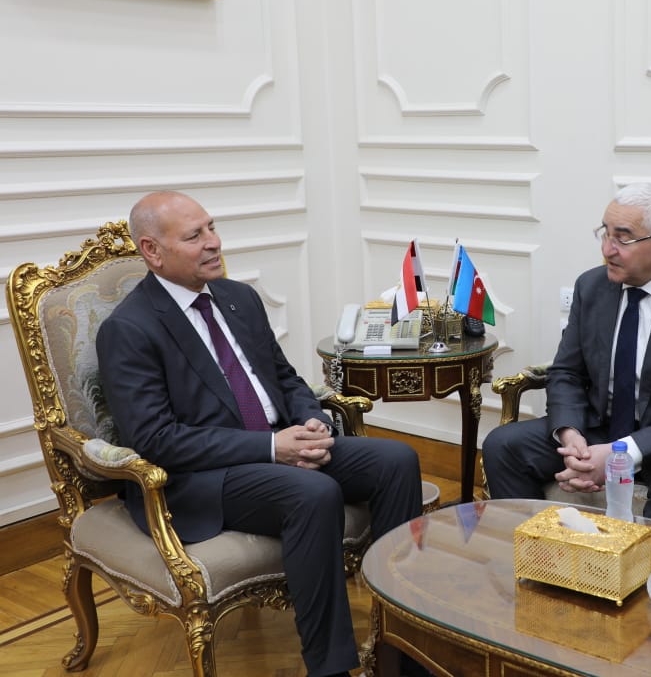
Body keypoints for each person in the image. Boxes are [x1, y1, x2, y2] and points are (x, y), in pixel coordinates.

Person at [96, 191, 423, 677]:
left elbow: (284, 378)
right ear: (153, 251)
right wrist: (272, 447)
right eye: (195, 236)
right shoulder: (129, 328)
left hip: (281, 441)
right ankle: (330, 668)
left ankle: (402, 647)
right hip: (205, 476)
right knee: (312, 492)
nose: (214, 242)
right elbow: (157, 439)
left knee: (397, 461)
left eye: (211, 227)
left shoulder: (239, 298)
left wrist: (311, 420)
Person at [483, 183, 651, 528]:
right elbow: (566, 372)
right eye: (605, 233)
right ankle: (539, 550)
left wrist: (618, 453)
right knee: (503, 445)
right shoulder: (592, 287)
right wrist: (571, 437)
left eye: (622, 238)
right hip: (601, 426)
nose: (607, 249)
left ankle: (650, 563)